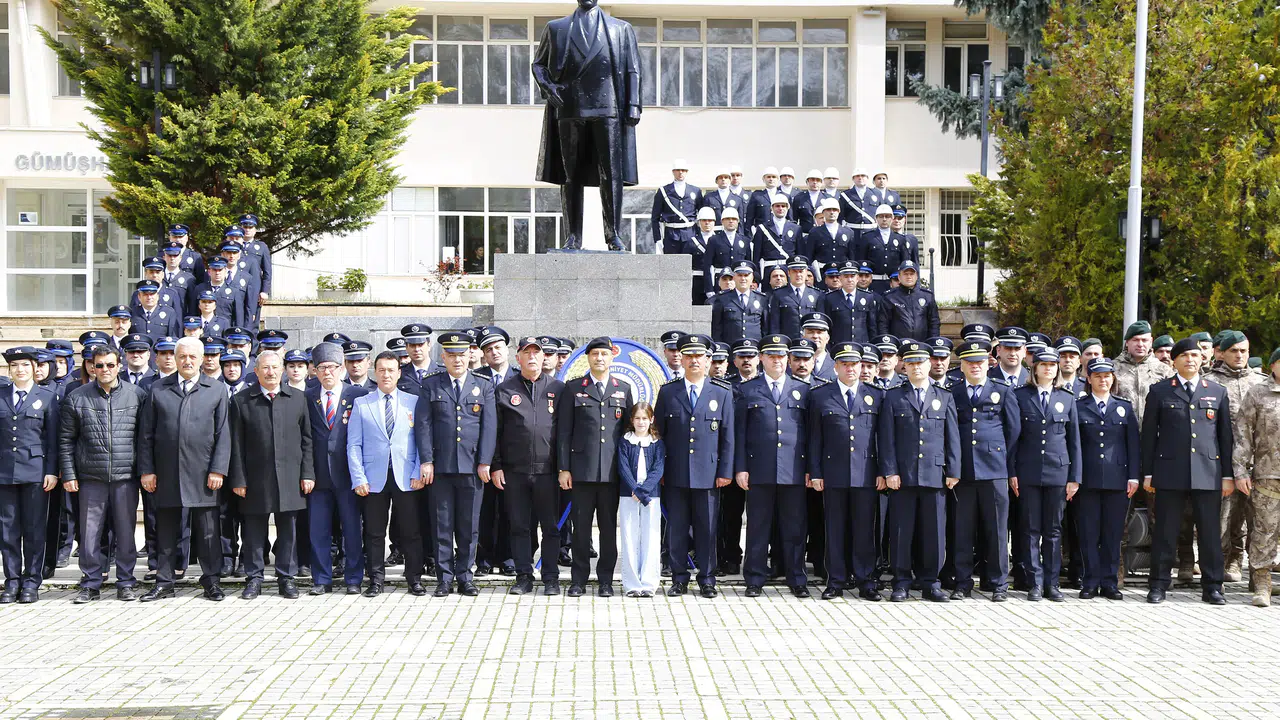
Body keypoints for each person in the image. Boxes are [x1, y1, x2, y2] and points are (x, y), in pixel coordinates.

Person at [136, 337, 231, 602]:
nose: (187, 361)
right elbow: (146, 435)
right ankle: (165, 581)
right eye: (182, 357)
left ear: (202, 360)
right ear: (174, 359)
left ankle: (211, 581)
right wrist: (147, 470)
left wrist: (218, 470)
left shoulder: (216, 390)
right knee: (165, 530)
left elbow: (223, 433)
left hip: (203, 474)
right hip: (167, 473)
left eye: (193, 357)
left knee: (208, 532)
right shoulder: (158, 389)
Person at [1141, 338, 1234, 605]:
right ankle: (1158, 584)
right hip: (1170, 471)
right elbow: (1149, 436)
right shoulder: (1159, 391)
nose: (1190, 360)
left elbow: (1224, 437)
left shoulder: (1217, 391)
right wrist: (1148, 473)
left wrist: (1227, 474)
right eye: (1184, 356)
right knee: (1166, 532)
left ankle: (1213, 586)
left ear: (1202, 359)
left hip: (1208, 472)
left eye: (1195, 355)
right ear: (1174, 360)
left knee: (1209, 533)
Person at [58, 345, 147, 603]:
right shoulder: (77, 397)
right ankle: (90, 582)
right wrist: (69, 474)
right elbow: (66, 440)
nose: (105, 370)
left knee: (126, 532)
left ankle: (126, 581)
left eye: (110, 365)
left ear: (119, 365)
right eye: (99, 365)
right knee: (89, 534)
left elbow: (144, 438)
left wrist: (143, 472)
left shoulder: (136, 395)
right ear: (91, 367)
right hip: (90, 478)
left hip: (125, 477)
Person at [228, 350, 315, 600]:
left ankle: (286, 578)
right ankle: (254, 578)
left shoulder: (298, 399)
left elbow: (307, 441)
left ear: (283, 370)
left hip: (290, 477)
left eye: (275, 367)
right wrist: (238, 479)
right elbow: (236, 444)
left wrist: (307, 474)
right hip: (255, 478)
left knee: (288, 530)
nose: (270, 372)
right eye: (265, 368)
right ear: (256, 371)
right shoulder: (242, 400)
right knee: (254, 532)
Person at [415, 331, 497, 598]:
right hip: (441, 467)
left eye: (461, 355)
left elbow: (489, 428)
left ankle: (465, 576)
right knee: (442, 525)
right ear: (443, 357)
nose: (457, 360)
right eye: (451, 355)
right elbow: (424, 425)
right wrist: (426, 460)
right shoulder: (431, 384)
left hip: (472, 468)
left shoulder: (483, 385)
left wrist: (485, 461)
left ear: (468, 356)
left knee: (468, 526)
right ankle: (444, 578)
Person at [878, 340, 960, 602]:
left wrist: (953, 470)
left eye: (921, 362)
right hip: (902, 476)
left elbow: (952, 437)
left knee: (934, 533)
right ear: (904, 366)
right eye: (911, 363)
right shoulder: (893, 396)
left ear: (929, 364)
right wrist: (889, 470)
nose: (916, 367)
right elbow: (886, 438)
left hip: (935, 474)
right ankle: (901, 582)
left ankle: (930, 582)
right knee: (901, 531)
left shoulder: (944, 396)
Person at [654, 334, 734, 598]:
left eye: (699, 356)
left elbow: (728, 436)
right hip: (675, 474)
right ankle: (679, 578)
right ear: (682, 360)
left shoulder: (721, 393)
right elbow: (659, 436)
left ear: (708, 360)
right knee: (676, 529)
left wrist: (725, 472)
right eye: (688, 356)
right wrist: (660, 471)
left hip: (709, 475)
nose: (694, 361)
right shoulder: (668, 392)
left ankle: (707, 579)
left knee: (707, 529)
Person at [555, 337, 632, 597]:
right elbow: (564, 432)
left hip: (611, 473)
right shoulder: (574, 387)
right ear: (587, 358)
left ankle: (606, 580)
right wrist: (564, 468)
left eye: (604, 354)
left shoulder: (623, 388)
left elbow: (628, 433)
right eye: (595, 354)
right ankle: (578, 579)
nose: (600, 358)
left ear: (612, 358)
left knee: (609, 530)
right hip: (581, 472)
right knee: (581, 530)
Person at [492, 336, 565, 596]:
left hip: (548, 472)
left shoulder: (559, 388)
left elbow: (565, 432)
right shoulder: (504, 390)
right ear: (518, 357)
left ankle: (551, 577)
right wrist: (497, 465)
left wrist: (564, 468)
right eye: (527, 352)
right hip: (515, 472)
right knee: (520, 526)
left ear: (544, 357)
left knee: (551, 527)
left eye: (537, 352)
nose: (532, 356)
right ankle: (524, 576)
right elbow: (496, 432)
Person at [948, 340, 1019, 601]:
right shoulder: (953, 392)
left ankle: (999, 583)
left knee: (997, 531)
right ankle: (963, 582)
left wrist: (1004, 463)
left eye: (979, 362)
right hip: (964, 471)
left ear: (989, 364)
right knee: (963, 530)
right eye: (969, 362)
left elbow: (1013, 431)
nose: (975, 366)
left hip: (994, 471)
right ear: (962, 366)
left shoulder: (1003, 390)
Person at [349, 351, 424, 597]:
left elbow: (421, 442)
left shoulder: (413, 401)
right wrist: (358, 477)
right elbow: (353, 445)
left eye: (391, 370)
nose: (386, 374)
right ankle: (376, 580)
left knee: (411, 530)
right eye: (381, 370)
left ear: (399, 373)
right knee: (374, 532)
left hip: (406, 476)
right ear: (375, 372)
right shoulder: (362, 403)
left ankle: (414, 578)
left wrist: (417, 471)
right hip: (373, 479)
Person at [1009, 348, 1081, 602]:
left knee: (1053, 531)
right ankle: (1034, 583)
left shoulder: (1067, 398)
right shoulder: (1020, 396)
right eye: (1044, 365)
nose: (1049, 369)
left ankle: (1052, 583)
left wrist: (1075, 477)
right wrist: (1012, 471)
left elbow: (1075, 442)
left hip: (1058, 472)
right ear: (1035, 368)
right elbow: (1014, 438)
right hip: (1028, 471)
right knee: (1030, 530)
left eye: (1053, 365)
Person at [304, 342, 369, 595]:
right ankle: (322, 579)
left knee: (352, 529)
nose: (327, 372)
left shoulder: (357, 396)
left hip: (348, 474)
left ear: (342, 368)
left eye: (332, 367)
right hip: (318, 476)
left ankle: (354, 578)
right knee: (318, 530)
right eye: (321, 368)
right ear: (315, 371)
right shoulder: (307, 397)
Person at [1074, 357, 1139, 600]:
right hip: (1088, 480)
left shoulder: (1124, 406)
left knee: (1113, 533)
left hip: (1117, 479)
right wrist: (1075, 477)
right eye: (1098, 376)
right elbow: (1075, 446)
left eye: (1108, 376)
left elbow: (1132, 444)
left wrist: (1133, 476)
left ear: (1113, 379)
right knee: (1089, 533)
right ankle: (1090, 581)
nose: (1103, 380)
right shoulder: (1078, 406)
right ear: (1088, 379)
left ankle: (1110, 582)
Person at [1204, 330, 1265, 583]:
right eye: (1234, 351)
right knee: (1222, 521)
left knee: (1259, 522)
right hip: (1222, 464)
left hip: (1260, 465)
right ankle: (1218, 572)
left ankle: (1256, 575)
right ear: (1222, 353)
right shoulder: (1209, 382)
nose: (1239, 355)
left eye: (1244, 351)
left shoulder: (1261, 383)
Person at [0, 348, 59, 604]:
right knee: (7, 530)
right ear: (9, 370)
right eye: (15, 366)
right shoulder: (1, 395)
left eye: (25, 365)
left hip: (36, 473)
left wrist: (52, 471)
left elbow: (53, 439)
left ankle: (31, 581)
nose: (20, 370)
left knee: (34, 529)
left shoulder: (47, 396)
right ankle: (11, 581)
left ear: (35, 367)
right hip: (4, 472)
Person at [1233, 347, 1280, 606]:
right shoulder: (1258, 393)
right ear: (1272, 366)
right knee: (1264, 531)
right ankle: (1262, 584)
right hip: (1267, 475)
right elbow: (1243, 434)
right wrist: (1240, 470)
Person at [617, 403, 664, 597]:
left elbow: (658, 468)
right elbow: (623, 467)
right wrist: (634, 489)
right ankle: (631, 584)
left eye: (645, 418)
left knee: (650, 538)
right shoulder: (625, 441)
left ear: (651, 420)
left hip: (651, 496)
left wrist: (644, 491)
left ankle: (649, 583)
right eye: (637, 418)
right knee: (629, 536)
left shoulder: (657, 442)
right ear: (632, 420)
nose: (641, 422)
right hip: (629, 494)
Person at [877, 260, 940, 341]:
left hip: (923, 346)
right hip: (898, 347)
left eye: (912, 274)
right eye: (905, 274)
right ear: (899, 277)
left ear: (917, 276)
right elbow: (883, 324)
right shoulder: (889, 297)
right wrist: (888, 345)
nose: (909, 277)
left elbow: (934, 323)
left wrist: (932, 343)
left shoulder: (927, 296)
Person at [650, 159, 701, 255]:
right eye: (678, 170)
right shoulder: (663, 191)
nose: (680, 172)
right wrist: (657, 239)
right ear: (673, 172)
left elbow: (702, 215)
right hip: (671, 235)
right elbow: (655, 218)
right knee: (671, 266)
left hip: (691, 234)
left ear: (687, 172)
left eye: (683, 170)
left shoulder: (696, 191)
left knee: (690, 266)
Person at [823, 261, 880, 345]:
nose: (849, 280)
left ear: (857, 278)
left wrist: (873, 346)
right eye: (846, 276)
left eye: (852, 276)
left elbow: (872, 326)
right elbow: (827, 326)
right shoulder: (830, 298)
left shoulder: (868, 297)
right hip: (838, 345)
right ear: (840, 278)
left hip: (862, 345)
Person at [711, 262, 768, 344]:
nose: (743, 279)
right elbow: (717, 328)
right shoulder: (723, 298)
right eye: (740, 275)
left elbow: (765, 328)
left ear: (752, 278)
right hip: (731, 348)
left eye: (746, 275)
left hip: (755, 348)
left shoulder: (762, 299)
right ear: (734, 277)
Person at [766, 256, 822, 340]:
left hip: (810, 342)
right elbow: (775, 324)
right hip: (788, 342)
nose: (798, 274)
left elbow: (820, 322)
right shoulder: (779, 294)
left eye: (801, 271)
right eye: (794, 271)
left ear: (806, 272)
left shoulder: (817, 294)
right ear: (788, 273)